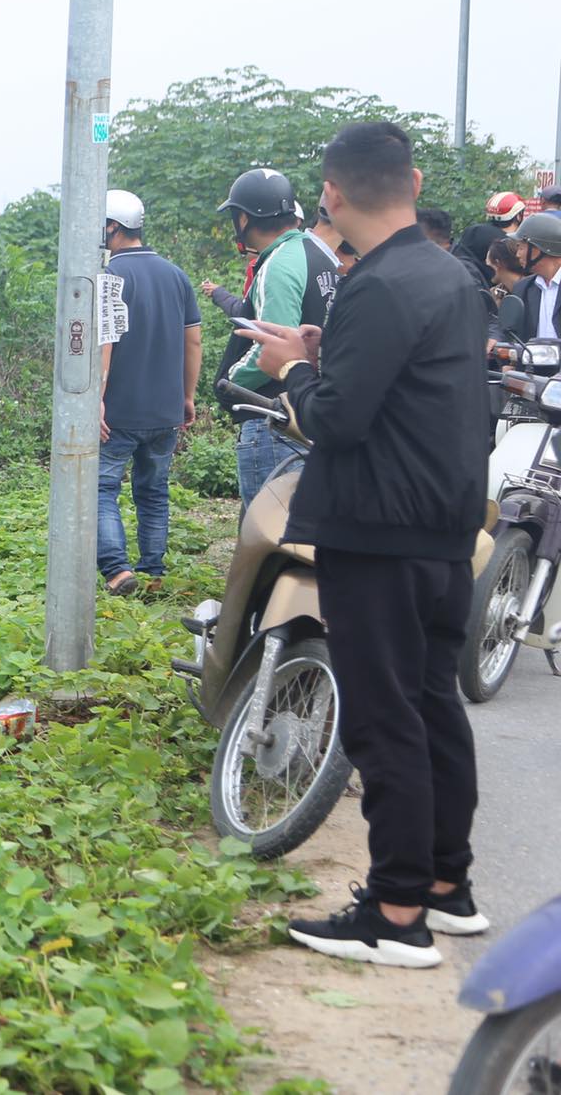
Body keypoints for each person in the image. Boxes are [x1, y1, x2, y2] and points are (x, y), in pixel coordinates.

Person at [251, 121, 489, 968]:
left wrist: (291, 370)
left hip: (377, 528)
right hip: (443, 527)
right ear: (415, 181)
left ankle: (394, 912)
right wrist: (324, 351)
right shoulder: (448, 273)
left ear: (332, 194)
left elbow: (338, 420)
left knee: (384, 716)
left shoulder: (378, 285)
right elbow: (408, 383)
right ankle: (442, 888)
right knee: (429, 705)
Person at [96, 190, 201, 596]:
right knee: (153, 491)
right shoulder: (176, 275)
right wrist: (186, 396)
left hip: (119, 411)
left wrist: (97, 399)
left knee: (103, 488)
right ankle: (153, 573)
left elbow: (106, 342)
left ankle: (117, 570)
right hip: (165, 410)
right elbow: (193, 342)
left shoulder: (109, 278)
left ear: (113, 228)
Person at [215, 168, 335, 504]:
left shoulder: (279, 264)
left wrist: (228, 383)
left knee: (270, 533)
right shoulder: (316, 252)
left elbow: (274, 346)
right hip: (308, 410)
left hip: (273, 420)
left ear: (243, 219)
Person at [508, 211, 561, 341]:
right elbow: (511, 331)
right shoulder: (522, 288)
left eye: (521, 248)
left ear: (537, 249)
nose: (517, 255)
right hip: (532, 361)